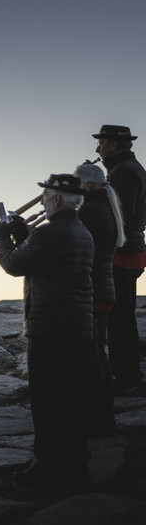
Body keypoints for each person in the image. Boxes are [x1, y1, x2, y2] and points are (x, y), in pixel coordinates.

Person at [0, 175, 95, 489]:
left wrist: (1, 239)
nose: (42, 202)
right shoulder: (79, 230)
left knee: (48, 402)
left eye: (45, 196)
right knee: (70, 400)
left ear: (57, 200)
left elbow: (14, 264)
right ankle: (76, 467)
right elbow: (44, 256)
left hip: (50, 327)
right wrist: (25, 233)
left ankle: (49, 469)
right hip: (76, 325)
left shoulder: (51, 232)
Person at [93, 124, 146, 394]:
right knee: (121, 315)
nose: (97, 149)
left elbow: (120, 215)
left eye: (101, 143)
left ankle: (127, 377)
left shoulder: (123, 172)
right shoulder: (125, 168)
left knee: (119, 317)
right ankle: (126, 374)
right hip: (130, 249)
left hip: (122, 252)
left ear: (113, 144)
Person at [75, 162, 124, 435]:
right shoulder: (104, 206)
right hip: (103, 287)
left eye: (77, 182)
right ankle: (104, 415)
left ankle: (98, 418)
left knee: (91, 356)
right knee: (98, 354)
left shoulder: (91, 211)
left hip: (92, 289)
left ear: (89, 185)